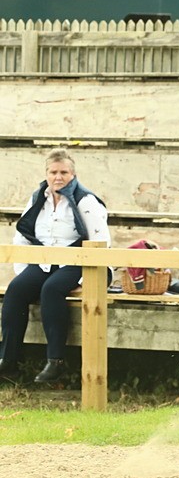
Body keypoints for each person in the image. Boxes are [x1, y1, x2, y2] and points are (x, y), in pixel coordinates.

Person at [0, 148, 110, 384]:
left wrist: (84, 280)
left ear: (73, 174)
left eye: (64, 172)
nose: (58, 177)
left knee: (51, 289)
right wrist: (24, 269)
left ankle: (55, 361)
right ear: (46, 173)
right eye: (53, 172)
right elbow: (23, 234)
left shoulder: (85, 200)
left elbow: (101, 240)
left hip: (80, 261)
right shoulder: (37, 197)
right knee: (16, 290)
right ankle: (8, 361)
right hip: (45, 260)